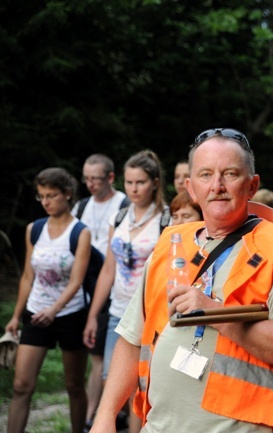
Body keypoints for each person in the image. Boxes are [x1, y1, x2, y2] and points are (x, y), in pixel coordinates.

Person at [88, 128, 273, 433]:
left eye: (230, 174)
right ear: (191, 188)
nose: (217, 186)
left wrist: (212, 311)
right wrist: (105, 415)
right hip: (159, 426)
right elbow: (132, 339)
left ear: (252, 186)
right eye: (206, 175)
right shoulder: (170, 243)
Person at [83, 150, 167, 433]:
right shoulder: (119, 216)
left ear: (155, 183)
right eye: (129, 182)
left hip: (150, 314)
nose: (133, 188)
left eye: (140, 182)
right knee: (111, 379)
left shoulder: (166, 219)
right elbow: (109, 268)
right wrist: (94, 314)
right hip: (118, 311)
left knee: (142, 385)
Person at [5, 168, 91, 433]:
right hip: (36, 311)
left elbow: (77, 280)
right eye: (41, 196)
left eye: (51, 195)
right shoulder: (35, 229)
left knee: (74, 385)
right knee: (21, 386)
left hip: (70, 313)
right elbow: (28, 276)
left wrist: (55, 310)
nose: (46, 201)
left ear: (67, 194)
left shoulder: (80, 232)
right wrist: (16, 316)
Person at [72, 153, 129, 430]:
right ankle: (93, 416)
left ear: (110, 177)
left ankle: (108, 414)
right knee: (96, 358)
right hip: (86, 289)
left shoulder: (124, 205)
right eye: (86, 178)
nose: (90, 184)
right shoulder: (81, 207)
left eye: (96, 178)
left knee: (110, 360)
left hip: (115, 289)